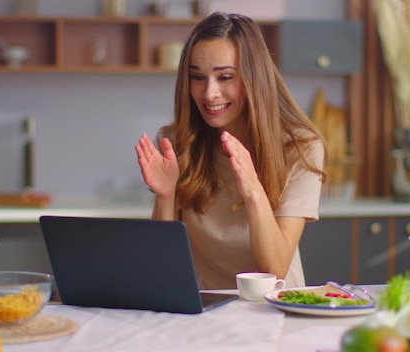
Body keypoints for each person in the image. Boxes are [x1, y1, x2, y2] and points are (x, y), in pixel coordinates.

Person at [135, 12, 326, 289]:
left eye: (225, 77)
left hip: (274, 311)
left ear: (254, 78)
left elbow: (274, 269)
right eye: (197, 77)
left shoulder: (301, 147)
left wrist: (252, 188)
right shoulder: (177, 142)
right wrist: (166, 195)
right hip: (206, 309)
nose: (209, 93)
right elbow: (162, 264)